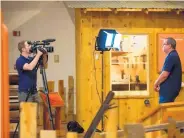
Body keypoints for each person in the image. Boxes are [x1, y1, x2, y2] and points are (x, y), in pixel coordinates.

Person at [154, 37, 182, 103]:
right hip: (169, 89)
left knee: (163, 110)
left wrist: (156, 83)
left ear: (169, 45)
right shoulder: (172, 55)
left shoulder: (171, 56)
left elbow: (164, 75)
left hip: (169, 90)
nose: (162, 46)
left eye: (164, 44)